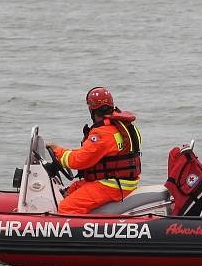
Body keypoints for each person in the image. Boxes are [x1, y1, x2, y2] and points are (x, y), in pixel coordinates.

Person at [45, 87, 141, 215]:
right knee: (70, 191)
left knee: (67, 207)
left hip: (112, 185)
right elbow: (92, 153)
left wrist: (58, 151)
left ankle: (79, 232)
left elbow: (80, 160)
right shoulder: (122, 126)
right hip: (121, 181)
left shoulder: (103, 133)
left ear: (92, 109)